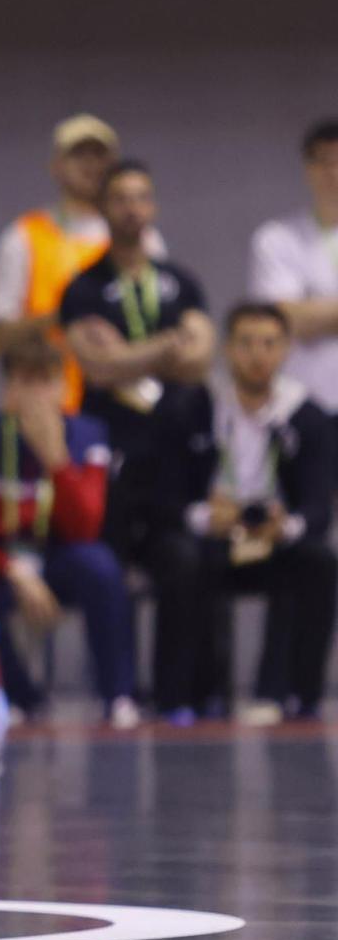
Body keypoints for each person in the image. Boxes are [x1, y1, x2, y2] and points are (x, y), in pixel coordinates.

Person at [59, 159, 215, 718]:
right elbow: (97, 368)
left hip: (172, 459)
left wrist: (130, 354)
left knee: (183, 564)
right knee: (110, 571)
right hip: (111, 457)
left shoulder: (181, 281)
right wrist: (166, 343)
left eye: (141, 197)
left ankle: (174, 699)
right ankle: (118, 694)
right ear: (104, 209)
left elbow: (200, 358)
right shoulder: (84, 288)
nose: (132, 208)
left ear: (153, 208)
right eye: (120, 198)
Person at [151, 304, 334, 725]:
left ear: (286, 350)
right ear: (228, 350)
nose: (258, 355)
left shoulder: (309, 417)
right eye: (246, 343)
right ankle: (187, 695)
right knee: (180, 558)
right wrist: (203, 516)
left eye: (269, 344)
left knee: (318, 561)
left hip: (271, 542)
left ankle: (292, 693)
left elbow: (318, 508)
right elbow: (163, 498)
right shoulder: (192, 408)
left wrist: (285, 524)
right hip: (211, 541)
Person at [0, 336, 134, 725]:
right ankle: (19, 699)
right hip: (4, 562)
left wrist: (56, 457)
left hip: (61, 555)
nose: (39, 394)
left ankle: (118, 696)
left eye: (48, 381)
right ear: (8, 389)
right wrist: (11, 568)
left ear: (62, 386)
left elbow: (85, 527)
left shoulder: (88, 436)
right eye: (27, 382)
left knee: (100, 566)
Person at [0, 114, 127, 412]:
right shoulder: (23, 237)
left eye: (99, 155)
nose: (90, 164)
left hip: (120, 407)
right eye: (78, 154)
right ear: (56, 165)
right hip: (48, 407)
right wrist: (63, 316)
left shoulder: (137, 239)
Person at [247, 119, 338, 417]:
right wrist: (299, 316)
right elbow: (284, 320)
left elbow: (304, 317)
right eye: (324, 162)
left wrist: (315, 311)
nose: (333, 172)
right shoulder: (276, 238)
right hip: (304, 400)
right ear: (308, 168)